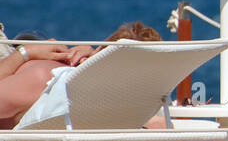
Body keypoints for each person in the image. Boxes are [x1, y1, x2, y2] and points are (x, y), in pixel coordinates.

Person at [0, 22, 161, 129]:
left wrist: (24, 53)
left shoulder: (43, 77)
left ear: (99, 51)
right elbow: (161, 125)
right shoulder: (130, 110)